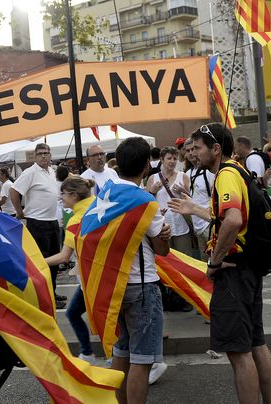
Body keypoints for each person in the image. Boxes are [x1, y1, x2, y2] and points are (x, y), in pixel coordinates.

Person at [191, 123, 271, 404]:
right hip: (250, 266)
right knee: (256, 344)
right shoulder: (239, 170)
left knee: (239, 353)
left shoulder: (226, 175)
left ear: (216, 149)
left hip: (235, 271)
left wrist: (215, 262)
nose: (194, 154)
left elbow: (233, 220)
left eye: (198, 148)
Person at [109, 137, 171, 404]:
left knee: (121, 352)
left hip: (114, 285)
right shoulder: (142, 200)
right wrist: (164, 233)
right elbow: (162, 250)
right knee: (142, 360)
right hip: (142, 286)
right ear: (147, 165)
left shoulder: (106, 194)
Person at [44, 176, 96, 363]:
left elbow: (64, 256)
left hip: (91, 279)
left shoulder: (75, 220)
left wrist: (37, 262)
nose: (61, 199)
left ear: (74, 195)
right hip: (109, 274)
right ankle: (89, 353)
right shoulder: (100, 205)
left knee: (74, 313)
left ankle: (89, 353)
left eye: (63, 195)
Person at [10, 143, 66, 308]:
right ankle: (45, 298)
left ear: (50, 156)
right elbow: (14, 191)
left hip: (52, 221)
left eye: (46, 153)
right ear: (35, 156)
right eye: (40, 154)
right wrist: (19, 211)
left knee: (55, 261)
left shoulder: (51, 172)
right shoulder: (30, 172)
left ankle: (52, 292)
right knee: (42, 262)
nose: (43, 156)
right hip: (37, 223)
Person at [146, 146, 193, 254]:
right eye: (169, 158)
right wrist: (153, 191)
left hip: (180, 224)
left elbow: (193, 200)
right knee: (166, 258)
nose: (172, 161)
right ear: (162, 160)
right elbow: (146, 203)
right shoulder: (153, 178)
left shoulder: (183, 176)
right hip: (162, 226)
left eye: (175, 158)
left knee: (185, 257)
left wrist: (183, 191)